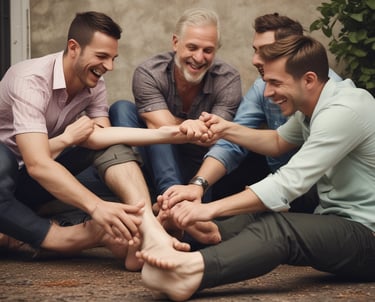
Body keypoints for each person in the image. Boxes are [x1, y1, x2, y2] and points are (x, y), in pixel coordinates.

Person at [136, 35, 375, 301]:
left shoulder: (344, 111)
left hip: (368, 236)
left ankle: (189, 271)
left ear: (308, 80)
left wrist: (206, 208)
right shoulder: (315, 105)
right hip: (340, 219)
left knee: (280, 226)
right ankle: (215, 232)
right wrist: (226, 129)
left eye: (275, 83)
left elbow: (288, 183)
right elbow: (276, 141)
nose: (267, 92)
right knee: (265, 208)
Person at [0, 11, 210, 269]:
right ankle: (101, 232)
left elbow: (102, 137)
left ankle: (149, 230)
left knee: (110, 156)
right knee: (9, 163)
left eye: (113, 58)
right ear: (74, 48)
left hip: (39, 180)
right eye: (101, 56)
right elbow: (38, 163)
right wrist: (96, 206)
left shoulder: (94, 83)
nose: (109, 66)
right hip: (8, 178)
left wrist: (167, 134)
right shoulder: (30, 80)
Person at [158, 13, 342, 214]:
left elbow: (293, 179)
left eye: (265, 51)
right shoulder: (261, 88)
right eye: (255, 50)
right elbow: (265, 141)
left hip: (319, 192)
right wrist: (198, 184)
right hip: (279, 181)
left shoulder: (333, 99)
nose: (255, 60)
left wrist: (251, 197)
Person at [109, 8, 242, 200]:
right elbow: (161, 128)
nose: (198, 57)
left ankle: (170, 201)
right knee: (122, 109)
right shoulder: (149, 73)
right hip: (151, 160)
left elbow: (214, 135)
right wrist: (189, 126)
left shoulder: (228, 79)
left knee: (162, 129)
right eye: (192, 47)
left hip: (198, 166)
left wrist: (179, 125)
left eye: (208, 50)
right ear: (175, 42)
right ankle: (170, 196)